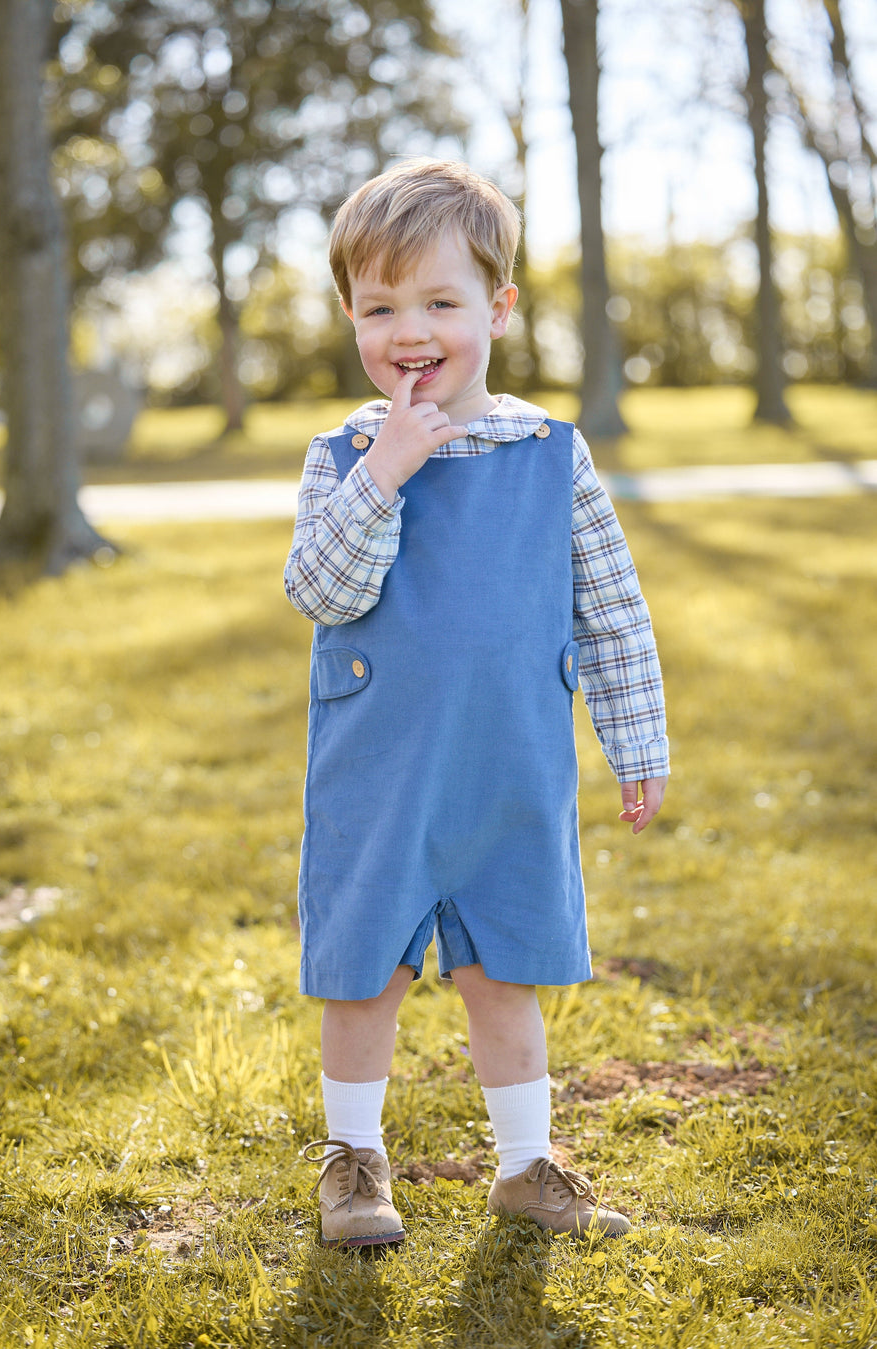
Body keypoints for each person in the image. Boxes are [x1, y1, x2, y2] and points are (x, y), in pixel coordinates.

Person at [284, 159, 669, 1250]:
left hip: (510, 761)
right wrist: (387, 471)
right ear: (351, 317)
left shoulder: (553, 455)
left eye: (440, 302)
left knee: (507, 966)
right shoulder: (342, 455)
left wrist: (636, 735)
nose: (411, 328)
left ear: (496, 308)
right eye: (381, 306)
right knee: (368, 968)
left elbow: (614, 607)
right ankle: (354, 1160)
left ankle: (524, 1163)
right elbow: (322, 589)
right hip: (383, 766)